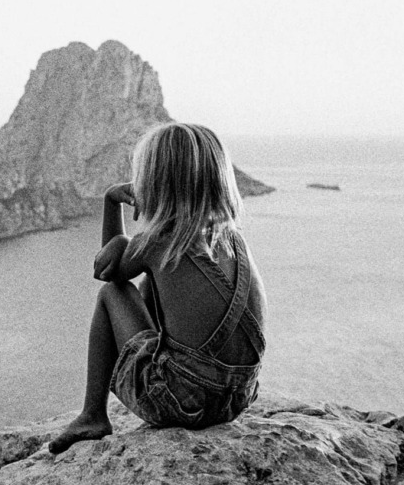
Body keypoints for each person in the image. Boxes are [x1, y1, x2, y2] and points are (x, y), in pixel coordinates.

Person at [49, 122, 267, 455]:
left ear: (155, 182)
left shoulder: (158, 242)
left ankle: (93, 414)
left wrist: (112, 203)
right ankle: (134, 388)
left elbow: (108, 272)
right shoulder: (236, 241)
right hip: (236, 399)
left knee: (112, 296)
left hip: (183, 404)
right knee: (152, 281)